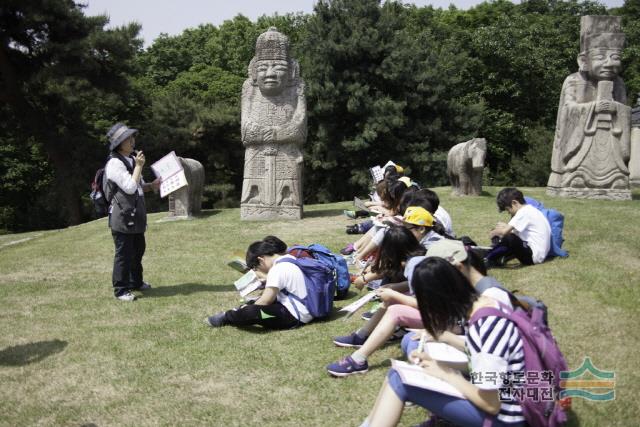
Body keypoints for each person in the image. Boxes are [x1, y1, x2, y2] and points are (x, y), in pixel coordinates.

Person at [361, 257, 526, 427]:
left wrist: (447, 373)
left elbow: (491, 404)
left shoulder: (487, 326)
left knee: (399, 379)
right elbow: (484, 363)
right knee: (397, 373)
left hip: (507, 418)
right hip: (506, 404)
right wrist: (437, 364)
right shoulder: (484, 308)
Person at [327, 239, 512, 377]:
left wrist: (441, 335)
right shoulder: (471, 288)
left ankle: (363, 359)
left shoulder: (491, 297)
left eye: (440, 273)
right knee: (410, 341)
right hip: (469, 346)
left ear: (457, 267)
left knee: (405, 358)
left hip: (489, 373)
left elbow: (491, 361)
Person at [104, 123, 160, 302]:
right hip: (122, 217)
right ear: (119, 144)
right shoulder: (114, 163)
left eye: (132, 137)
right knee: (124, 253)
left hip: (135, 215)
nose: (132, 140)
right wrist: (138, 166)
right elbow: (129, 187)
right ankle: (121, 289)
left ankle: (136, 282)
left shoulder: (130, 160)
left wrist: (152, 186)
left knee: (138, 250)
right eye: (128, 139)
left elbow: (138, 186)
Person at [205, 238, 312, 329]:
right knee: (255, 305)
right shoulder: (291, 259)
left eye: (256, 268)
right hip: (308, 309)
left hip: (294, 317)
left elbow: (265, 301)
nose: (258, 270)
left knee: (253, 312)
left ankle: (227, 317)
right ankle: (238, 311)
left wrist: (247, 309)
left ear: (261, 260)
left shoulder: (277, 269)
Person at [486, 188, 551, 267]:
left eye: (507, 209)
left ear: (514, 203)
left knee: (508, 237)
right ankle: (499, 255)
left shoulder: (523, 212)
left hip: (532, 257)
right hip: (537, 254)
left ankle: (489, 258)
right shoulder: (531, 210)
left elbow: (505, 232)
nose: (508, 212)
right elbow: (518, 231)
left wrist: (493, 232)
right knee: (508, 236)